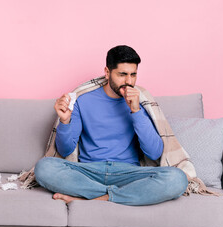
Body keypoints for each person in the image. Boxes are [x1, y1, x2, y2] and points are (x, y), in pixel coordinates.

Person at [34, 45, 188, 206]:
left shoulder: (140, 102)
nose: (129, 81)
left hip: (128, 173)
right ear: (107, 72)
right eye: (122, 74)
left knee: (177, 179)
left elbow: (154, 153)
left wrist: (136, 111)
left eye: (133, 75)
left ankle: (93, 199)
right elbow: (65, 150)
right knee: (44, 167)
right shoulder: (83, 100)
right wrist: (65, 122)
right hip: (90, 172)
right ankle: (122, 196)